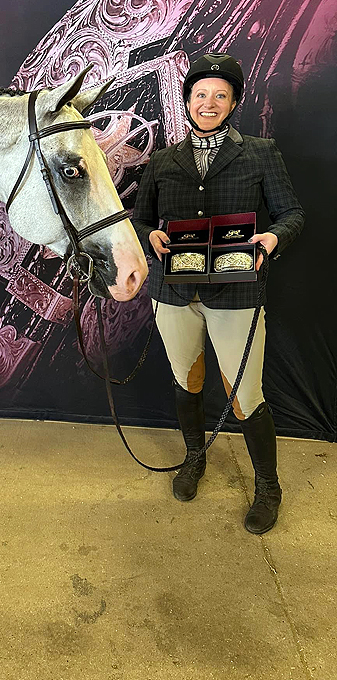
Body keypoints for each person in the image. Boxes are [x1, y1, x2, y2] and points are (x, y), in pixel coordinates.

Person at [132, 53, 304, 534]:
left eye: (220, 96)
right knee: (186, 380)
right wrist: (150, 235)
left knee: (245, 392)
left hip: (236, 291)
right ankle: (194, 458)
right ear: (187, 99)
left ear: (233, 103)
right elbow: (142, 217)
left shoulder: (260, 152)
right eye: (200, 94)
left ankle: (268, 485)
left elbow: (292, 214)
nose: (208, 103)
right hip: (174, 291)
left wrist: (272, 239)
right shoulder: (164, 159)